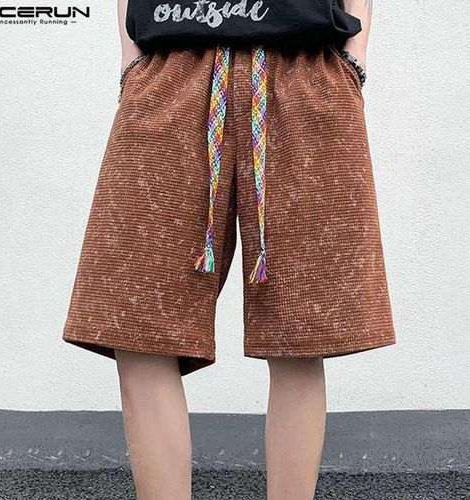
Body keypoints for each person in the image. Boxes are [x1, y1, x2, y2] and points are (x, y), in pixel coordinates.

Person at [63, 0, 395, 498]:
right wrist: (130, 58)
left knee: (299, 335)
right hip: (171, 64)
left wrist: (356, 52)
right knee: (135, 325)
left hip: (305, 68)